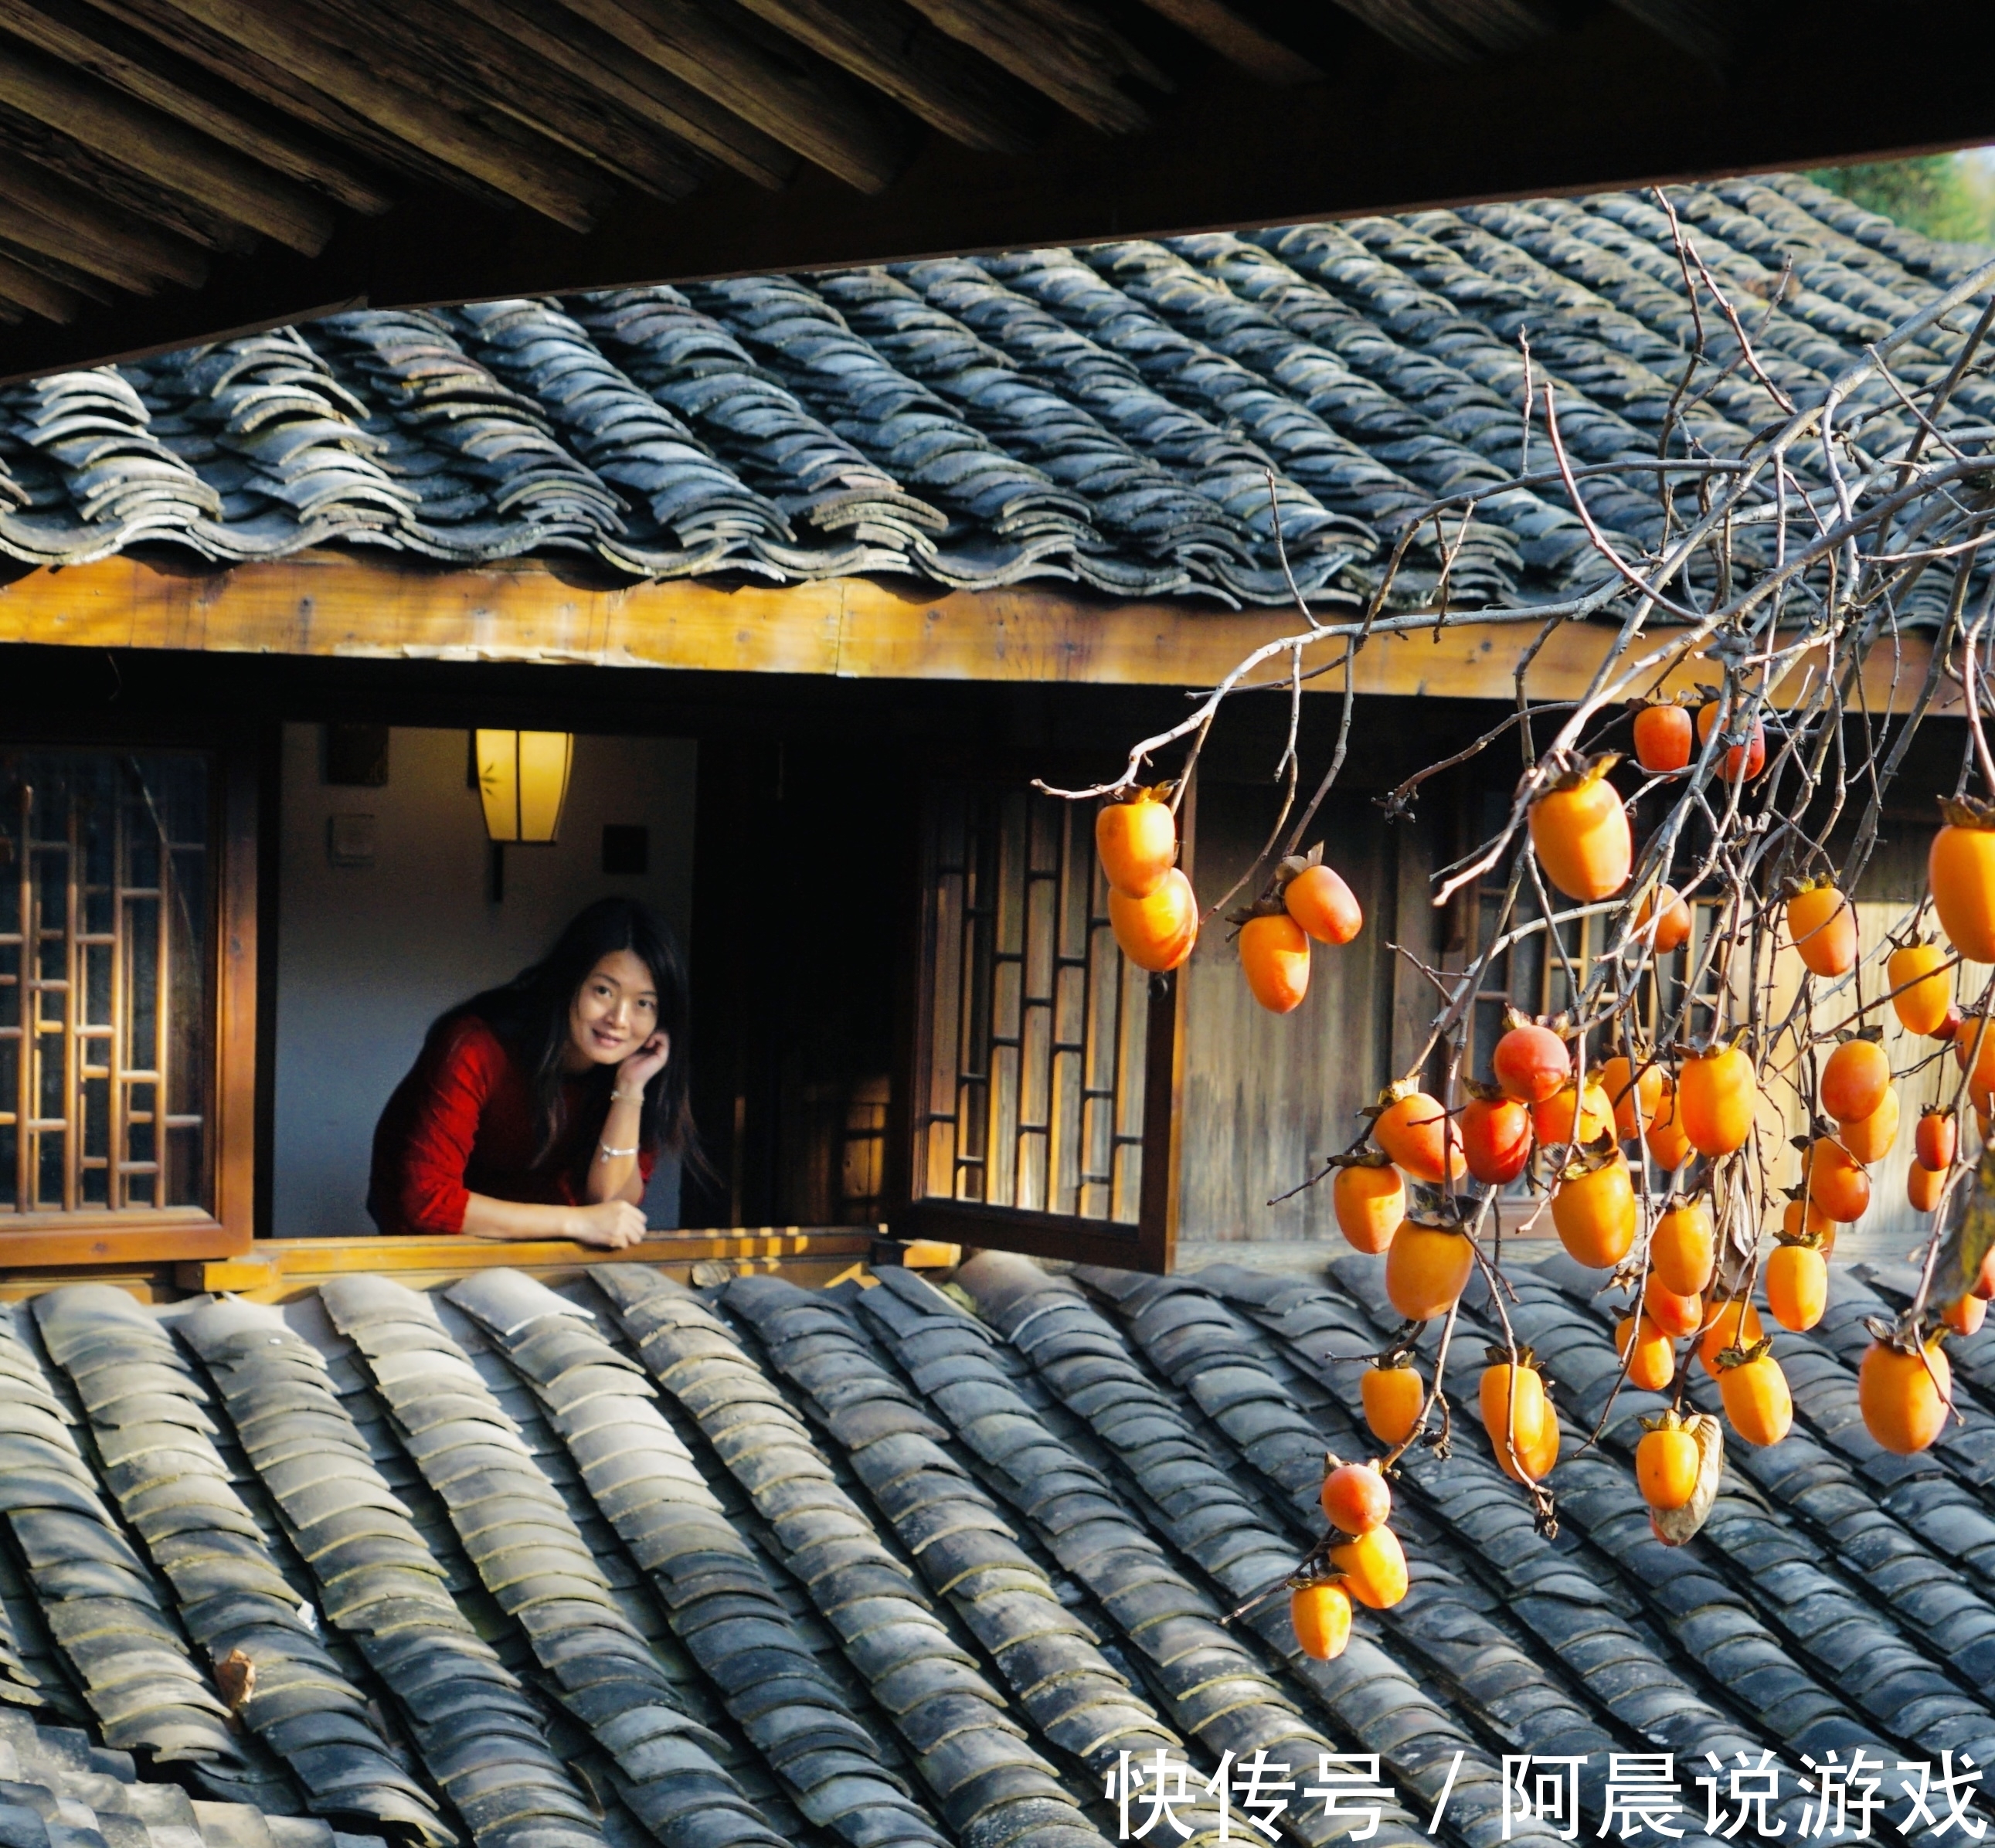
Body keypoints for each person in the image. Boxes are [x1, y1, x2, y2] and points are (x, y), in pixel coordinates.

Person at [368, 897, 695, 1248]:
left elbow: (610, 1208)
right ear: (570, 980)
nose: (619, 1019)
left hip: (546, 1254)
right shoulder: (478, 1048)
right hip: (438, 1250)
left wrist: (630, 1087)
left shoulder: (634, 1067)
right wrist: (575, 1222)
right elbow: (427, 1201)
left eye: (644, 1003)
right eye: (603, 991)